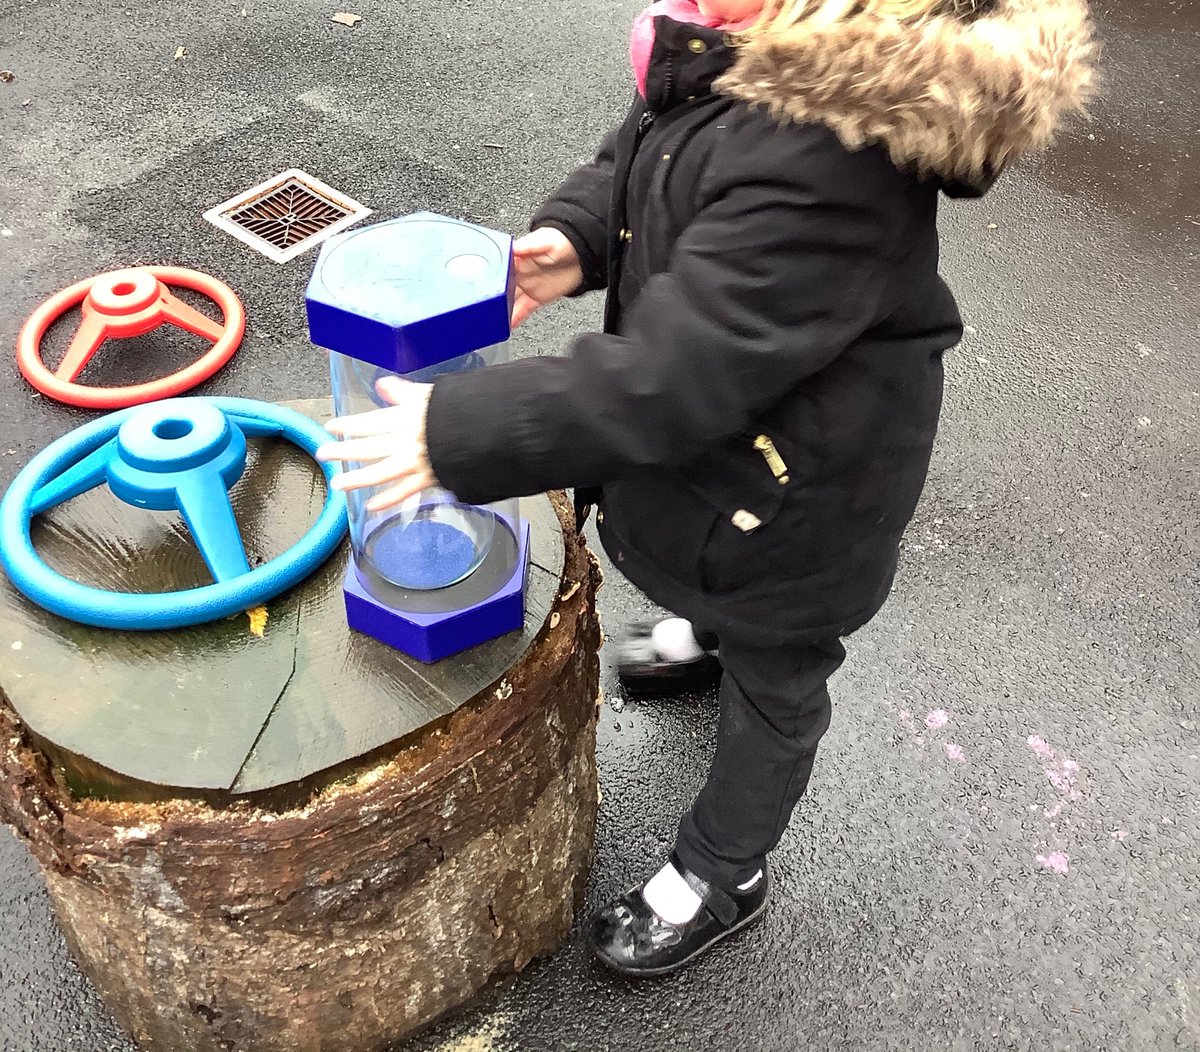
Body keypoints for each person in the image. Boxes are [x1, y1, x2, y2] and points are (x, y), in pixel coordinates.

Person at [318, 0, 1095, 977]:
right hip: (734, 455)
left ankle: (723, 868)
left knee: (778, 678)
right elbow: (654, 159)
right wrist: (579, 235)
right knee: (712, 579)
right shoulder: (740, 49)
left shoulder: (828, 165)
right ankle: (709, 631)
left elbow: (668, 379)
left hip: (801, 502)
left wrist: (458, 432)